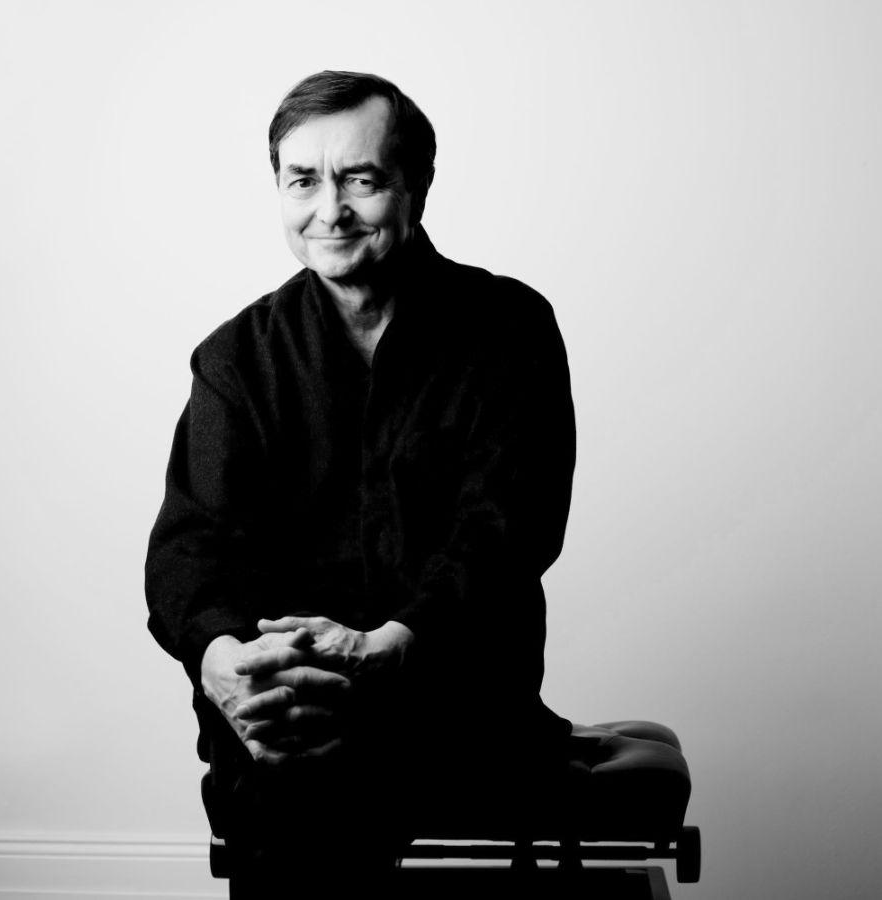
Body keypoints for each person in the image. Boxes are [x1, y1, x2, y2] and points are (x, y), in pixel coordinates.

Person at [144, 70, 576, 896]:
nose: (329, 210)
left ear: (416, 185)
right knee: (293, 763)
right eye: (302, 180)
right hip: (285, 698)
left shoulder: (508, 327)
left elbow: (510, 527)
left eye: (361, 180)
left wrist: (395, 645)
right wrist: (223, 658)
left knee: (320, 781)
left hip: (454, 685)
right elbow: (189, 549)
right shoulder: (236, 359)